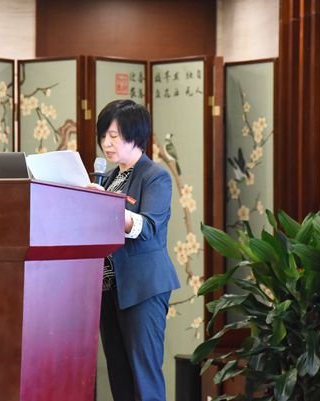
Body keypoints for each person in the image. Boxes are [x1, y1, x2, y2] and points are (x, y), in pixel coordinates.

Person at [88, 99, 180, 401]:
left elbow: (148, 227)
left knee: (143, 375)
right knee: (120, 375)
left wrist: (106, 205)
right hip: (109, 288)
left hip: (142, 288)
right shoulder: (110, 179)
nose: (106, 143)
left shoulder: (155, 176)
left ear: (135, 136)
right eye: (103, 135)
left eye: (114, 136)